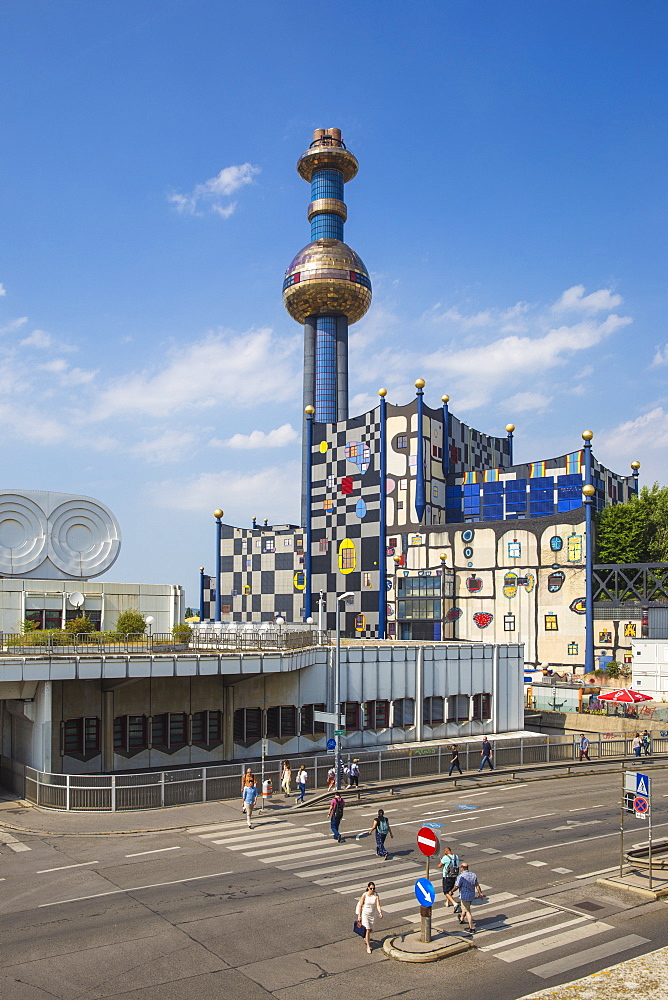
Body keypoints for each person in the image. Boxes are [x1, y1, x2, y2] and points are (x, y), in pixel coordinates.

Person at [454, 861, 484, 933]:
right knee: (465, 907)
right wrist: (480, 893)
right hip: (471, 895)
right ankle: (461, 919)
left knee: (467, 911)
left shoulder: (461, 876)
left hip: (464, 895)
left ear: (462, 868)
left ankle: (472, 928)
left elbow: (457, 886)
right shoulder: (473, 875)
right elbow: (477, 885)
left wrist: (451, 891)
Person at [355, 881, 383, 954]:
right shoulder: (364, 895)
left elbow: (378, 905)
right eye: (371, 888)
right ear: (368, 888)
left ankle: (365, 938)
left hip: (372, 914)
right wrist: (359, 916)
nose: (372, 890)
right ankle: (368, 946)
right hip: (365, 913)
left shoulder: (376, 895)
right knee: (367, 930)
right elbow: (360, 905)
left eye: (374, 888)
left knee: (370, 930)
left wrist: (380, 912)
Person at [437, 845, 460, 910]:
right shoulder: (456, 856)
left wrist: (441, 861)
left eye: (444, 851)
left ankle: (454, 903)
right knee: (450, 890)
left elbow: (439, 866)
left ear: (446, 851)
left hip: (447, 876)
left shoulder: (445, 857)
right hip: (454, 875)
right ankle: (447, 902)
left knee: (445, 891)